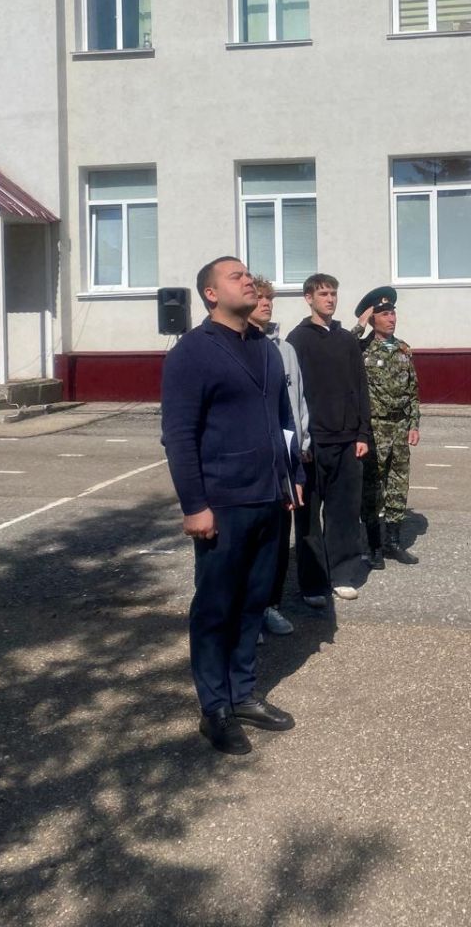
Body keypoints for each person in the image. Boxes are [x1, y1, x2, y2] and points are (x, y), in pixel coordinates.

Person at [161, 256, 304, 754]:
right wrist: (194, 505)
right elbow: (179, 436)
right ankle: (214, 708)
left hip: (270, 497)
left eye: (248, 275)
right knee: (216, 607)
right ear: (211, 294)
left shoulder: (265, 348)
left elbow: (285, 421)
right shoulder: (192, 352)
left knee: (254, 602)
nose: (248, 281)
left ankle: (242, 694)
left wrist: (293, 476)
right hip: (223, 503)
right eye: (235, 276)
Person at [286, 273, 371, 602]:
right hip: (313, 444)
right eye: (323, 294)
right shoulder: (298, 339)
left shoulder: (346, 339)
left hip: (347, 441)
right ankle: (313, 584)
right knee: (308, 518)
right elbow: (293, 395)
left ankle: (343, 574)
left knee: (345, 513)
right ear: (309, 298)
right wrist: (301, 442)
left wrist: (362, 433)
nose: (330, 299)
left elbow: (360, 387)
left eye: (333, 293)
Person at [249, 276, 310, 636]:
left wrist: (300, 447)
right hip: (252, 464)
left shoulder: (285, 349)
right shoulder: (241, 348)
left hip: (284, 460)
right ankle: (248, 615)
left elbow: (297, 403)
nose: (266, 303)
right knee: (250, 546)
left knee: (276, 542)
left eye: (269, 298)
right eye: (259, 297)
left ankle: (270, 605)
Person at [352, 286, 421, 567]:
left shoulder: (404, 349)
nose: (391, 318)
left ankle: (393, 543)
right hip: (375, 427)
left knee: (397, 485)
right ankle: (374, 547)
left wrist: (414, 423)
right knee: (372, 488)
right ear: (372, 319)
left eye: (392, 313)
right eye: (384, 314)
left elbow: (413, 390)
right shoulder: (361, 349)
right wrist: (360, 323)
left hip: (400, 427)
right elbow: (342, 346)